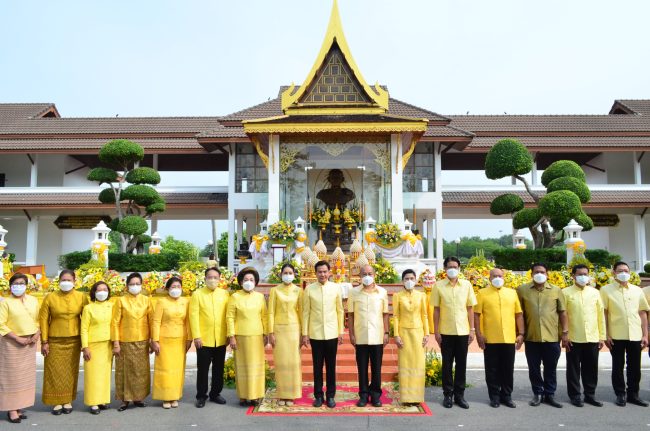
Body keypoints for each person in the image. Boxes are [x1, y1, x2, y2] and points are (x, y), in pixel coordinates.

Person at [516, 262, 568, 408]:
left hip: (552, 337)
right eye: (536, 272)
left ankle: (550, 394)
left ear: (547, 274)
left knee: (551, 367)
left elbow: (563, 312)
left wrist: (565, 333)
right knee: (534, 368)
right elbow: (519, 314)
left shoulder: (556, 290)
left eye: (543, 272)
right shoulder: (522, 290)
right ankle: (538, 393)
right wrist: (519, 334)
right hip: (532, 337)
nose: (540, 274)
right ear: (531, 274)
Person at [39, 269, 89, 415]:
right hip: (54, 339)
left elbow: (86, 320)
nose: (66, 283)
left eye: (69, 280)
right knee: (54, 371)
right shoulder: (50, 297)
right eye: (63, 280)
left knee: (70, 371)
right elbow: (43, 320)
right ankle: (56, 402)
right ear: (59, 281)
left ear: (74, 282)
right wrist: (44, 341)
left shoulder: (81, 297)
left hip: (74, 339)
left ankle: (67, 400)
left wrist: (85, 342)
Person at [600, 261, 649, 407]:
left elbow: (642, 313)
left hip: (635, 333)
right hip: (616, 334)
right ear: (614, 272)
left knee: (635, 366)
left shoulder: (637, 290)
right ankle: (620, 394)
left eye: (626, 270)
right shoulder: (606, 290)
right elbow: (604, 313)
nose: (623, 273)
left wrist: (645, 334)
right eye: (620, 270)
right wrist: (606, 334)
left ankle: (633, 394)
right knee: (618, 365)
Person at [474, 267, 524, 408]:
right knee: (492, 369)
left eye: (500, 276)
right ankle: (494, 397)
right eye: (494, 276)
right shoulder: (482, 293)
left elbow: (518, 314)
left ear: (504, 277)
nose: (497, 278)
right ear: (489, 278)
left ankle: (506, 396)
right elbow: (477, 315)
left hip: (509, 337)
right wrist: (479, 334)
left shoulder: (512, 293)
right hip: (490, 338)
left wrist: (521, 333)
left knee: (507, 369)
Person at [432, 256, 476, 409]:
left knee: (461, 364)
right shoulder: (438, 286)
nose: (452, 269)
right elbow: (436, 310)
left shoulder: (467, 285)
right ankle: (448, 395)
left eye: (455, 267)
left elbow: (470, 308)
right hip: (446, 331)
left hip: (463, 331)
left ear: (459, 269)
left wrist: (472, 329)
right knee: (447, 364)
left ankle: (460, 395)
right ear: (445, 269)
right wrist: (436, 331)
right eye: (449, 266)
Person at [302, 260, 344, 408]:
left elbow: (340, 311)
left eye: (325, 271)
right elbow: (306, 312)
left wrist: (340, 331)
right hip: (315, 333)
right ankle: (318, 395)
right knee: (317, 366)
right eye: (320, 272)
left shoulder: (336, 288)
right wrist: (305, 333)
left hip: (332, 333)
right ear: (316, 273)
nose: (322, 274)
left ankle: (331, 396)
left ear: (329, 272)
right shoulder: (309, 289)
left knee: (331, 366)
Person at [563, 264, 606, 407]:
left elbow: (600, 315)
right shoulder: (565, 293)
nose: (583, 277)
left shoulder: (595, 293)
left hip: (592, 337)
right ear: (573, 276)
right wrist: (565, 335)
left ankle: (590, 395)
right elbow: (562, 316)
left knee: (591, 368)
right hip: (573, 337)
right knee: (573, 369)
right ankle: (575, 395)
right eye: (580, 274)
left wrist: (601, 336)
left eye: (585, 274)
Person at [0, 273, 40, 424]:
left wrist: (37, 335)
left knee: (24, 378)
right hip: (11, 343)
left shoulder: (33, 300)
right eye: (15, 283)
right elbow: (1, 323)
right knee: (11, 377)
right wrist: (17, 338)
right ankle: (11, 409)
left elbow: (39, 319)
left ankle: (20, 406)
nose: (18, 286)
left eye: (21, 283)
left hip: (30, 342)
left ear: (26, 285)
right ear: (10, 286)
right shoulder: (6, 302)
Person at [348, 265, 389, 407]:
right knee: (362, 367)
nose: (367, 276)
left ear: (374, 275)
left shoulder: (382, 292)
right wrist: (351, 334)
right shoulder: (353, 292)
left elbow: (385, 314)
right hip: (361, 336)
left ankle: (376, 395)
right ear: (359, 276)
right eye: (364, 273)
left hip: (377, 335)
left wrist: (386, 332)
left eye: (369, 273)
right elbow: (351, 315)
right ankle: (364, 395)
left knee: (377, 368)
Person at [111, 272, 153, 411]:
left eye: (137, 284)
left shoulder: (147, 300)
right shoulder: (121, 300)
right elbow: (115, 322)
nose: (135, 286)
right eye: (132, 284)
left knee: (140, 371)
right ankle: (125, 400)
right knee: (124, 371)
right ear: (127, 286)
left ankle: (138, 398)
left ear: (141, 285)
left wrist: (152, 340)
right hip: (125, 341)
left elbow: (151, 321)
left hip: (142, 340)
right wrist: (116, 343)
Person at [227, 267, 268, 406]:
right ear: (240, 282)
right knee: (242, 366)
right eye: (246, 280)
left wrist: (266, 333)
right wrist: (231, 336)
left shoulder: (260, 297)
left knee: (256, 366)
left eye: (251, 280)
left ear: (255, 282)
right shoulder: (235, 297)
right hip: (240, 336)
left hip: (257, 335)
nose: (248, 282)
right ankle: (243, 396)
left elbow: (264, 316)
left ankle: (255, 395)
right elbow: (230, 317)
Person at [190, 267, 229, 408]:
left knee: (219, 368)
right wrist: (197, 336)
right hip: (203, 339)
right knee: (203, 369)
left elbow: (228, 316)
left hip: (220, 338)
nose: (212, 280)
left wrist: (229, 334)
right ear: (205, 278)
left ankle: (215, 393)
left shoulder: (225, 294)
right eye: (209, 277)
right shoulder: (197, 294)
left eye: (215, 277)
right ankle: (201, 396)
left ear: (219, 279)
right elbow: (193, 316)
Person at [151, 276, 191, 409]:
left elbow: (188, 322)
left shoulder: (185, 301)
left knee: (177, 370)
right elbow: (156, 321)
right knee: (165, 369)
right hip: (164, 339)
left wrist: (189, 339)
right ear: (167, 289)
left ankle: (174, 396)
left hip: (180, 339)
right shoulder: (161, 302)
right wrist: (155, 340)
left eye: (178, 287)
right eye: (173, 287)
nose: (176, 290)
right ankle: (165, 397)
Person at [268, 263, 303, 406]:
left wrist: (303, 333)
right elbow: (270, 312)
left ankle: (292, 395)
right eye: (285, 272)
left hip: (294, 329)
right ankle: (282, 395)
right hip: (279, 329)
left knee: (293, 363)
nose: (288, 275)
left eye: (290, 273)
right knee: (281, 362)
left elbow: (302, 312)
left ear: (294, 275)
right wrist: (270, 332)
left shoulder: (299, 291)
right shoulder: (274, 291)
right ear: (281, 274)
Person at [393, 269, 429, 406]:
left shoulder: (421, 295)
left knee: (418, 363)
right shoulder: (398, 296)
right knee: (406, 363)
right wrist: (396, 335)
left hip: (418, 332)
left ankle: (417, 397)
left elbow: (424, 315)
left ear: (415, 280)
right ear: (402, 281)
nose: (409, 281)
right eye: (406, 278)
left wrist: (426, 333)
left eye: (412, 278)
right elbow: (396, 316)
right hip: (404, 332)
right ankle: (406, 397)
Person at [81, 281, 114, 414]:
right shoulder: (88, 308)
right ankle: (93, 402)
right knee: (93, 375)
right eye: (99, 290)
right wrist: (85, 347)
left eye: (105, 289)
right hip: (93, 345)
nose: (102, 292)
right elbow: (83, 329)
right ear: (94, 293)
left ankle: (102, 400)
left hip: (108, 344)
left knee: (104, 375)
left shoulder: (112, 306)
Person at [421, 269, 436, 337]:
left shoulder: (434, 283)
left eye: (430, 279)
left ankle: (432, 328)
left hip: (431, 296)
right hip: (425, 296)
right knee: (425, 311)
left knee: (431, 311)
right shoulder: (424, 281)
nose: (428, 280)